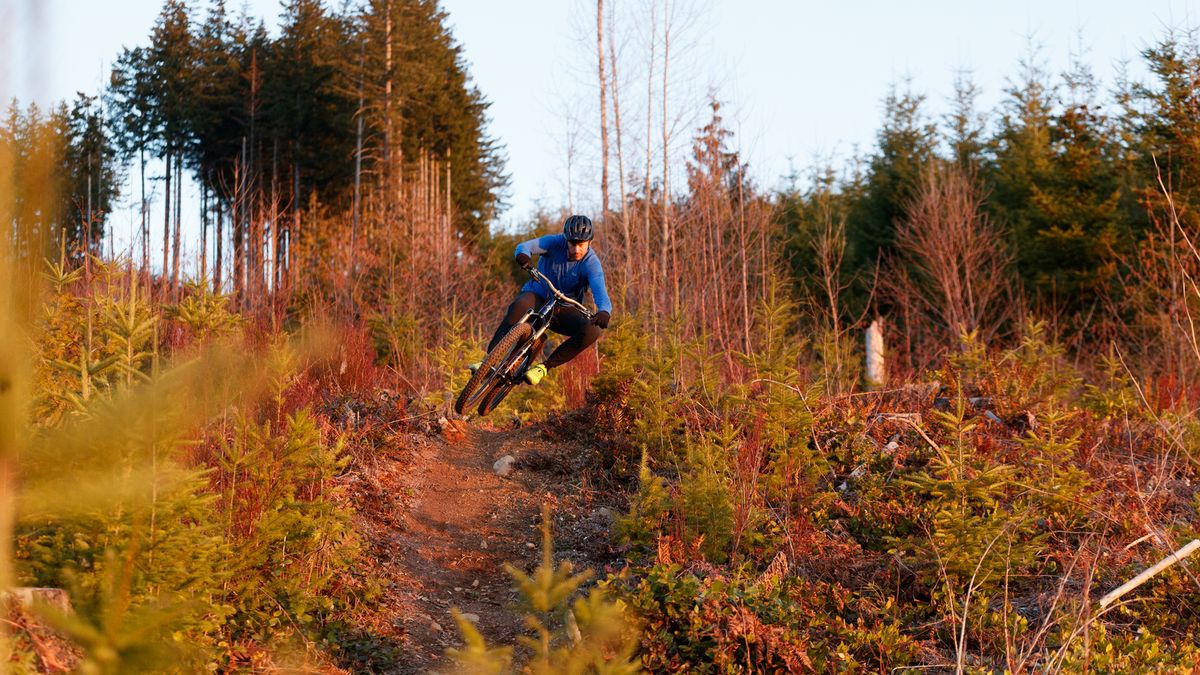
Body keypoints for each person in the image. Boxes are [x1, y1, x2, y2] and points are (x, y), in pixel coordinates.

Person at [471, 214, 612, 385]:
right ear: (565, 239)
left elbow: (600, 291)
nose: (576, 250)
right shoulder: (553, 243)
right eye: (572, 244)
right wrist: (523, 255)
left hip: (564, 308)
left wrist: (604, 310)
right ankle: (488, 362)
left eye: (581, 245)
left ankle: (544, 367)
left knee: (593, 331)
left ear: (590, 242)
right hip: (537, 295)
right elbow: (525, 246)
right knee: (520, 305)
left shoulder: (591, 263)